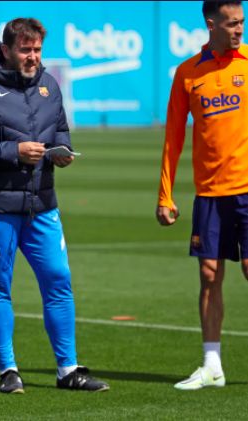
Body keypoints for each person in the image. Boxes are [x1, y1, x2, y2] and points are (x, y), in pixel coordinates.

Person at [0, 17, 109, 394]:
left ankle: (67, 369)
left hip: (42, 204)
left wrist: (62, 153)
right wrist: (13, 152)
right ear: (6, 51)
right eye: (25, 50)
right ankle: (8, 370)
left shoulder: (49, 86)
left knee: (59, 280)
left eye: (37, 50)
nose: (33, 57)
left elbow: (61, 131)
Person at [157, 0, 247, 390]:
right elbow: (173, 137)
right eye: (232, 24)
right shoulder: (188, 73)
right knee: (209, 275)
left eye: (242, 22)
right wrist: (165, 194)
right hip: (209, 192)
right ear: (211, 24)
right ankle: (212, 365)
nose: (239, 30)